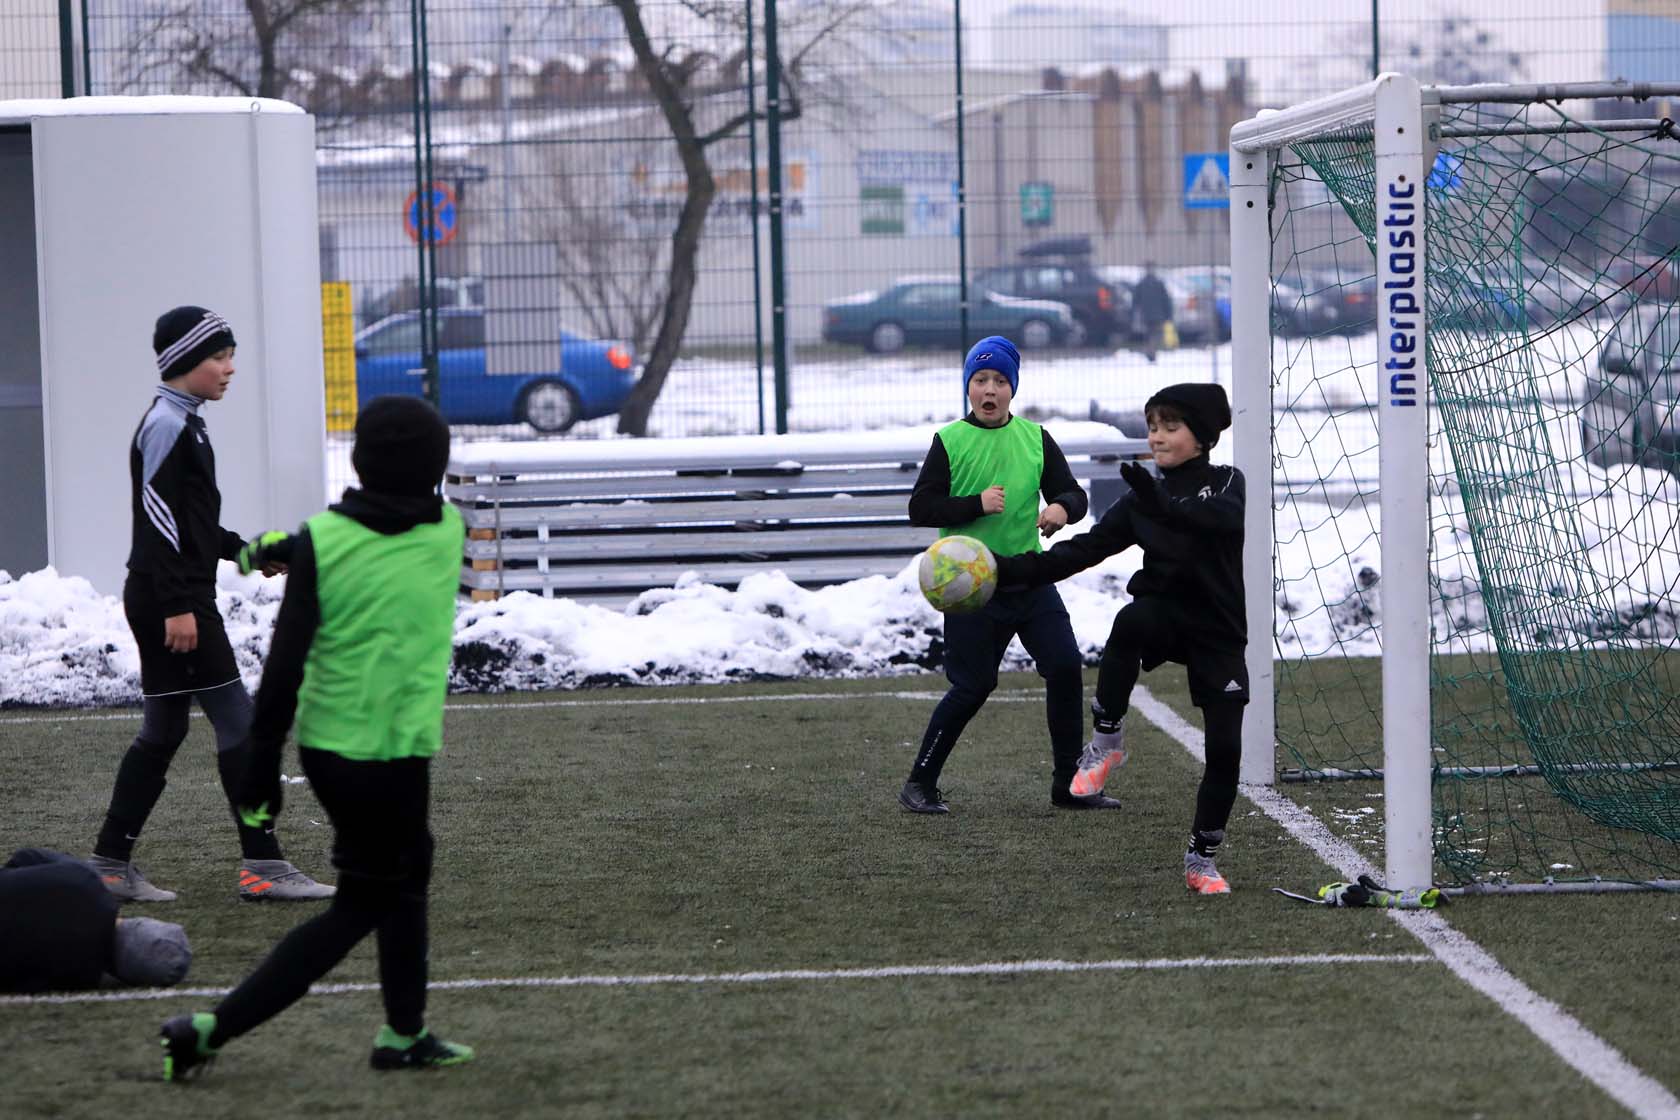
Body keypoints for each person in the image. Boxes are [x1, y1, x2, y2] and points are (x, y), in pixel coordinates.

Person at [159, 395, 473, 1081]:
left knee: (408, 871)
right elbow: (388, 528)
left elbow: (284, 667)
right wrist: (292, 549)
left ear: (358, 461)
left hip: (341, 753)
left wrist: (261, 764)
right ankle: (209, 1030)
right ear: (437, 466)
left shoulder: (325, 543)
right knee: (369, 899)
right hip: (391, 752)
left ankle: (404, 1033)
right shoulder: (450, 529)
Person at [90, 305, 334, 904]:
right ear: (185, 360)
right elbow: (158, 519)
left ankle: (108, 864)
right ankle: (263, 865)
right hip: (171, 599)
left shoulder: (186, 421)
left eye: (231, 357)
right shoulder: (168, 424)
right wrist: (178, 605)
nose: (230, 369)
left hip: (168, 593)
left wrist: (247, 552)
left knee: (165, 728)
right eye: (219, 357)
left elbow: (192, 524)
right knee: (239, 724)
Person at [991, 383, 1246, 895]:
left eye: (1170, 427)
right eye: (1152, 427)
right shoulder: (1141, 499)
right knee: (1132, 620)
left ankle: (1201, 858)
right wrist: (1007, 570)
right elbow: (1084, 550)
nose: (1156, 437)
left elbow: (1221, 520)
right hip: (1165, 615)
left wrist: (1164, 505)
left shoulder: (1226, 482)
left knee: (1225, 751)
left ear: (1202, 436)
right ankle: (1106, 743)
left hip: (1218, 630)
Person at [898, 336, 1119, 815]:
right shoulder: (949, 441)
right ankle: (920, 783)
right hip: (970, 587)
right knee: (974, 686)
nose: (990, 389)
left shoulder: (1035, 438)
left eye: (1000, 380)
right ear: (968, 388)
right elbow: (920, 507)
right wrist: (975, 504)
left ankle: (1068, 786)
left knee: (1065, 666)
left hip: (1030, 577)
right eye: (980, 380)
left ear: (1012, 389)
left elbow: (1073, 494)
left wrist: (1061, 508)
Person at [0, 848, 191, 994]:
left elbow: (25, 856)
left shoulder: (88, 881)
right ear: (126, 977)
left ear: (142, 922)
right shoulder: (77, 980)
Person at [1131, 263, 1175, 363]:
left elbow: (1135, 301)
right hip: (1158, 315)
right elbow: (1166, 300)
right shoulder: (1159, 283)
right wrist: (1169, 314)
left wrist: (1134, 314)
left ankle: (1150, 350)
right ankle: (1152, 351)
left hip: (1146, 315)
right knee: (1156, 334)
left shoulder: (1141, 284)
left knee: (1148, 334)